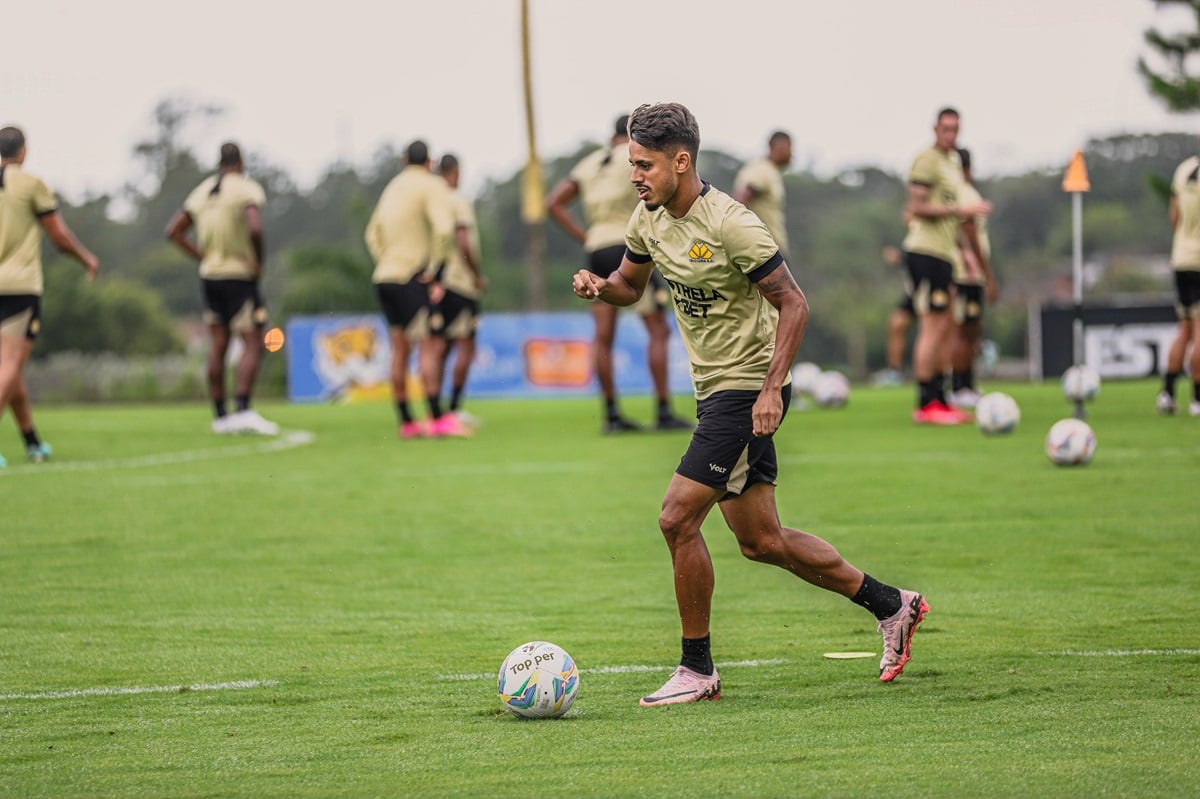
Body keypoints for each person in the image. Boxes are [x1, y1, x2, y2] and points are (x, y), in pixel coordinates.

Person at [572, 102, 929, 707]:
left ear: (681, 161)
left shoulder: (732, 224)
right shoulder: (648, 218)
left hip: (748, 386)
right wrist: (602, 289)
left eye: (645, 165)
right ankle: (893, 605)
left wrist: (771, 389)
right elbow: (631, 287)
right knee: (761, 539)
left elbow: (795, 303)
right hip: (714, 390)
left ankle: (697, 669)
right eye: (632, 163)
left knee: (676, 517)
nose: (634, 175)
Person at [547, 114, 691, 433]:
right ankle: (664, 410)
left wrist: (587, 236)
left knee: (603, 337)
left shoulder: (589, 163)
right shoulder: (635, 157)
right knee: (658, 330)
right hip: (629, 246)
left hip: (596, 248)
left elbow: (554, 203)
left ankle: (612, 414)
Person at [0, 126, 100, 467]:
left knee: (10, 369)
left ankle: (32, 442)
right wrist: (86, 258)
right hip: (18, 285)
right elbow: (58, 236)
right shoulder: (30, 184)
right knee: (9, 365)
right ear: (23, 151)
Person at [166, 142, 278, 436]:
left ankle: (220, 416)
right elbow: (255, 227)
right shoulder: (245, 188)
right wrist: (258, 261)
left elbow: (174, 232)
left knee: (218, 345)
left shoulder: (202, 191)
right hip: (239, 275)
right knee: (253, 341)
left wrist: (202, 255)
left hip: (210, 277)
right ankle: (243, 410)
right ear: (241, 162)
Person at [365, 139, 467, 438]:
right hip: (412, 274)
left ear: (403, 161)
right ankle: (437, 418)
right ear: (429, 162)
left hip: (385, 275)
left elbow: (372, 233)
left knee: (399, 349)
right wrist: (434, 269)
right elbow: (444, 228)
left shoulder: (392, 187)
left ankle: (407, 422)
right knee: (430, 345)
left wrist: (387, 259)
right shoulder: (431, 185)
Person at [902, 108, 991, 424]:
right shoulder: (926, 160)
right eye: (946, 129)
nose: (951, 134)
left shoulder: (951, 163)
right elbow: (917, 207)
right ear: (935, 129)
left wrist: (965, 251)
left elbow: (955, 217)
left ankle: (941, 398)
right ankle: (926, 404)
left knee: (946, 329)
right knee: (932, 328)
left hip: (945, 256)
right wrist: (961, 209)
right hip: (924, 252)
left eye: (956, 129)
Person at [426, 153, 486, 427]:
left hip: (438, 280)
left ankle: (435, 408)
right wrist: (476, 274)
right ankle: (453, 408)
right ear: (456, 172)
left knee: (442, 345)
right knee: (466, 345)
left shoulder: (433, 200)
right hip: (460, 282)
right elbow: (463, 240)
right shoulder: (457, 200)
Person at [946, 148, 998, 410]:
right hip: (966, 275)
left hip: (971, 275)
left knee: (971, 331)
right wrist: (985, 273)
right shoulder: (963, 193)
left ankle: (967, 383)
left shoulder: (964, 192)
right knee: (963, 332)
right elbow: (966, 230)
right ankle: (959, 386)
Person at [1157, 149, 1200, 416]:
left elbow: (1175, 216)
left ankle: (1168, 394)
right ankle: (1197, 398)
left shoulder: (1184, 169)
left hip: (1181, 257)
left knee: (1184, 328)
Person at [733, 130, 792, 258]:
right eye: (789, 148)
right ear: (780, 146)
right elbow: (742, 199)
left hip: (771, 247)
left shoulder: (770, 171)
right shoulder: (762, 170)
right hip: (766, 250)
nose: (791, 154)